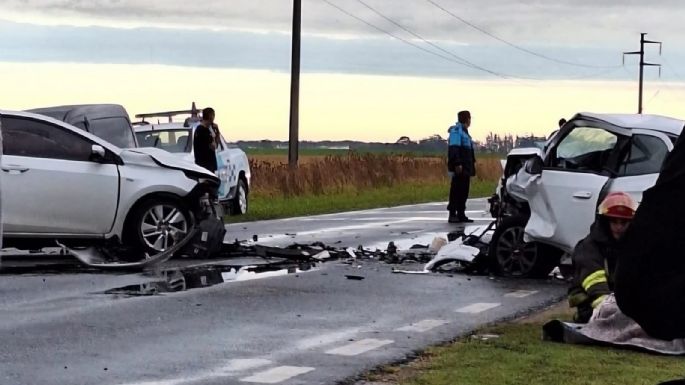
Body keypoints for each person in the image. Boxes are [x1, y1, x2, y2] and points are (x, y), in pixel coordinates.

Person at [568, 192, 638, 323]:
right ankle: (586, 316)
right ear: (605, 221)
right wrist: (608, 309)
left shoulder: (634, 245)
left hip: (619, 299)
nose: (619, 227)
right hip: (592, 300)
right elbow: (595, 282)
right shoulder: (589, 247)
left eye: (624, 222)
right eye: (614, 221)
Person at [447, 110, 476, 223]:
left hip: (466, 167)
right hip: (460, 167)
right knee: (456, 190)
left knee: (464, 191)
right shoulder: (457, 131)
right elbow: (454, 149)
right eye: (469, 119)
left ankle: (461, 214)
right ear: (467, 119)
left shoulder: (464, 132)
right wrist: (457, 164)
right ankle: (452, 214)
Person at [193, 107, 219, 173]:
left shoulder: (203, 129)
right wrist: (217, 132)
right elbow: (214, 147)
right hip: (206, 166)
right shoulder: (203, 131)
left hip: (204, 166)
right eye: (213, 115)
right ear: (211, 116)